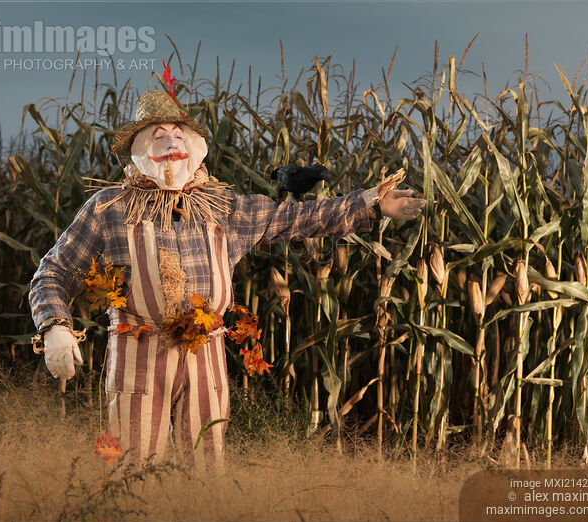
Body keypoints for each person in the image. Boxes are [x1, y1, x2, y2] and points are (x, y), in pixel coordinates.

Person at [28, 89, 425, 474]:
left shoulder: (224, 206)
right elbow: (53, 273)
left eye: (178, 135)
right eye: (158, 136)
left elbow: (298, 218)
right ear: (139, 149)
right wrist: (55, 327)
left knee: (205, 467)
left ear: (195, 145)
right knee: (130, 468)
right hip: (138, 352)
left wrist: (370, 203)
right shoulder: (107, 208)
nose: (171, 144)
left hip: (207, 352)